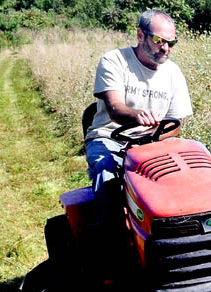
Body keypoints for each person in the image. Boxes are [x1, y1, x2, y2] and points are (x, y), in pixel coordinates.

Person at [84, 9, 193, 216]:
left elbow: (175, 125)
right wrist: (138, 117)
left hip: (156, 141)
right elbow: (115, 109)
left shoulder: (173, 73)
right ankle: (114, 236)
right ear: (140, 35)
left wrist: (149, 140)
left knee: (199, 156)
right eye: (159, 40)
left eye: (171, 43)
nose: (166, 48)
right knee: (106, 171)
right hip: (110, 139)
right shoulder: (114, 61)